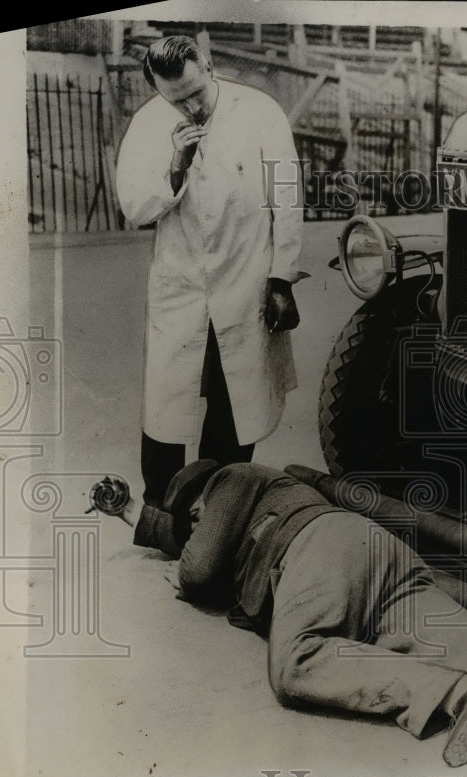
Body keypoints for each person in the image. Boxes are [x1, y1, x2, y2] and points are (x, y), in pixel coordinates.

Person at [87, 463, 467, 775]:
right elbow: (184, 545)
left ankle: (462, 695)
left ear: (199, 495)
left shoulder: (230, 480)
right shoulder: (242, 498)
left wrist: (185, 568)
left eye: (190, 516)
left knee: (296, 663)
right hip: (373, 556)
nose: (190, 525)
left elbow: (199, 564)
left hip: (317, 553)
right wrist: (130, 516)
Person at [115, 36, 306, 508]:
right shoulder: (149, 124)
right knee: (167, 399)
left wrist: (281, 278)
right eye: (177, 100)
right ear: (158, 90)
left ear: (210, 66)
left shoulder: (262, 112)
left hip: (246, 275)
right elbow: (135, 208)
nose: (192, 107)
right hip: (180, 284)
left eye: (197, 92)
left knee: (236, 396)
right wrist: (175, 167)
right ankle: (163, 508)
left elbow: (287, 198)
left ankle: (222, 504)